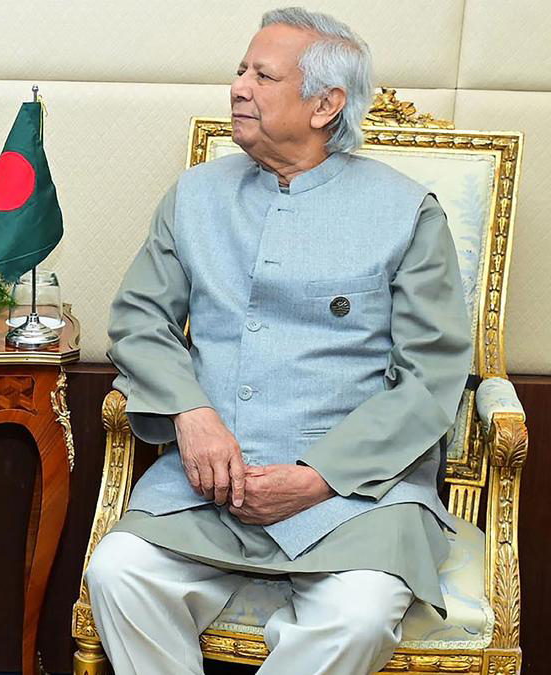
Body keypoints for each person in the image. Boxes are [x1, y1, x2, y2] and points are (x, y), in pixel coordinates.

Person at [85, 7, 471, 675]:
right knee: (119, 573)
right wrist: (192, 412)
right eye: (240, 70)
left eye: (263, 75)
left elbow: (431, 378)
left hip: (356, 496)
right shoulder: (195, 197)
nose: (239, 87)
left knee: (357, 615)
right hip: (210, 486)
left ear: (325, 105)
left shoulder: (407, 212)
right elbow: (140, 319)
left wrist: (320, 477)